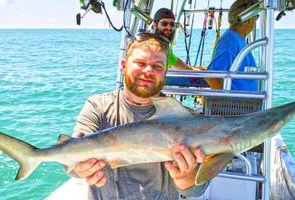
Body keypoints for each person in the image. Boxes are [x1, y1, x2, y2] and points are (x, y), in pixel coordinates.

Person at [67, 32, 208, 199]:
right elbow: (68, 161)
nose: (148, 71)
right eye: (141, 63)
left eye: (157, 67)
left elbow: (195, 190)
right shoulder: (98, 106)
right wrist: (78, 167)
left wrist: (184, 177)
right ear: (124, 65)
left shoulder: (183, 119)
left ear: (165, 72)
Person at [206, 0, 259, 91]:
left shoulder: (236, 39)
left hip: (247, 103)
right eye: (256, 17)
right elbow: (212, 77)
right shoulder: (230, 42)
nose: (256, 21)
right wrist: (228, 103)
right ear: (249, 20)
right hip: (238, 104)